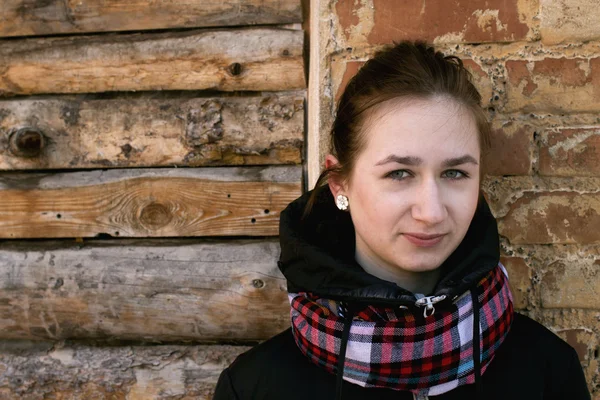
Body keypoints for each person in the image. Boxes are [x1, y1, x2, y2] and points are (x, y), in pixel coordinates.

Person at [213, 41, 591, 400]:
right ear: (340, 182)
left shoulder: (547, 373)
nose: (431, 211)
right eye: (399, 174)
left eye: (455, 173)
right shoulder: (255, 388)